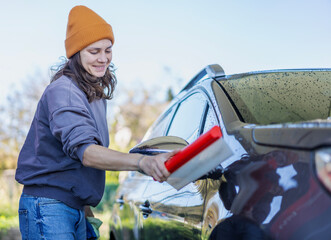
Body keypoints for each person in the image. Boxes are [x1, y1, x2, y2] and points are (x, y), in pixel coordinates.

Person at [15, 5, 176, 240]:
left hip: (75, 208)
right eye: (94, 51)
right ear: (77, 52)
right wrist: (144, 163)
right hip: (48, 207)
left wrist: (85, 207)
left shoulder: (93, 95)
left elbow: (76, 166)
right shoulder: (64, 91)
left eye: (108, 50)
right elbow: (87, 154)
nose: (103, 58)